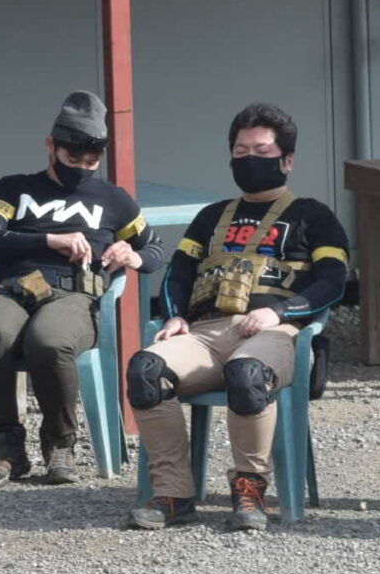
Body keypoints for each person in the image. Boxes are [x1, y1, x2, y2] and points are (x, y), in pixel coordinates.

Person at [126, 103, 351, 533]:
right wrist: (174, 317)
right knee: (146, 369)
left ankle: (250, 490)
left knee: (247, 374)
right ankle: (173, 495)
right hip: (206, 332)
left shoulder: (313, 215)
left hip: (277, 333)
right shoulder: (211, 217)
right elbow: (178, 273)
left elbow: (333, 282)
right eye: (240, 151)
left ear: (287, 160)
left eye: (262, 151)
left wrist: (278, 311)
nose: (250, 160)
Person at [0, 91, 148, 487]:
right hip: (16, 288)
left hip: (75, 294)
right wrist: (49, 241)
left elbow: (155, 249)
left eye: (91, 161)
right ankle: (6, 447)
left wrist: (132, 254)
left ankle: (60, 444)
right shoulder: (13, 188)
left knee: (50, 341)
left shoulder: (114, 199)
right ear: (51, 146)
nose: (81, 168)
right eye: (72, 158)